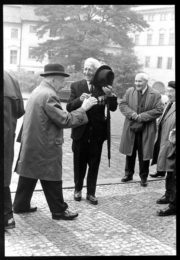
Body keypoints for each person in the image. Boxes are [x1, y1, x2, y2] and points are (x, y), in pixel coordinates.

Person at [13, 63, 97, 221]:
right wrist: (84, 108)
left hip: (32, 141)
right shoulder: (49, 95)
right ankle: (59, 211)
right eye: (62, 81)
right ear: (53, 80)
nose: (63, 84)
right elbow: (64, 120)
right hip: (45, 144)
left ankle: (20, 204)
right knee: (51, 176)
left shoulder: (38, 91)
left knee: (28, 173)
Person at [66, 57, 117, 205]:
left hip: (97, 134)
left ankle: (91, 193)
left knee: (94, 164)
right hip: (80, 133)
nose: (87, 72)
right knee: (78, 163)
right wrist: (79, 100)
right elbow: (69, 108)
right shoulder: (76, 86)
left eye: (91, 69)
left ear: (96, 72)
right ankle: (77, 190)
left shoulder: (103, 86)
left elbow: (113, 108)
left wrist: (111, 96)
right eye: (86, 69)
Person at [119, 72, 164, 187]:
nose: (137, 83)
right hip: (131, 127)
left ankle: (143, 177)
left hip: (146, 129)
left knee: (144, 153)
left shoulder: (155, 94)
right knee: (130, 151)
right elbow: (123, 105)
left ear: (146, 82)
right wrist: (133, 115)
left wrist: (142, 117)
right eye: (136, 81)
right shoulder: (130, 92)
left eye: (140, 81)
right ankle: (128, 174)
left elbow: (159, 110)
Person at [151, 81, 176, 215]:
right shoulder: (169, 104)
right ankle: (168, 195)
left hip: (173, 145)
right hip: (166, 143)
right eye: (167, 91)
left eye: (170, 91)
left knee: (173, 175)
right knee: (169, 172)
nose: (168, 94)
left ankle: (173, 204)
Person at [4, 71, 25, 230]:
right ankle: (7, 216)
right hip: (6, 137)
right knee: (4, 176)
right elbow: (19, 111)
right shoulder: (10, 77)